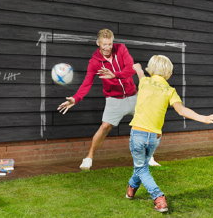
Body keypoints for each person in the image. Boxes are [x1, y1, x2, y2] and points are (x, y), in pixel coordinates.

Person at [126, 55, 213, 213]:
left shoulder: (145, 82)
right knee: (141, 166)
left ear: (152, 68)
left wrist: (138, 69)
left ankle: (158, 198)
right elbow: (182, 110)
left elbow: (141, 74)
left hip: (138, 133)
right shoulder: (170, 90)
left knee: (141, 168)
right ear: (168, 71)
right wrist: (202, 118)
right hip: (154, 137)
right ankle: (131, 189)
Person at [57, 29, 161, 170]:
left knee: (151, 124)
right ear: (98, 43)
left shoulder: (121, 49)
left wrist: (115, 75)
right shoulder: (94, 62)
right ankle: (89, 157)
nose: (107, 47)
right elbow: (87, 83)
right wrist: (75, 99)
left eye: (110, 44)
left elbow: (131, 69)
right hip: (114, 99)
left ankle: (149, 157)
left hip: (133, 95)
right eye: (104, 44)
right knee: (105, 127)